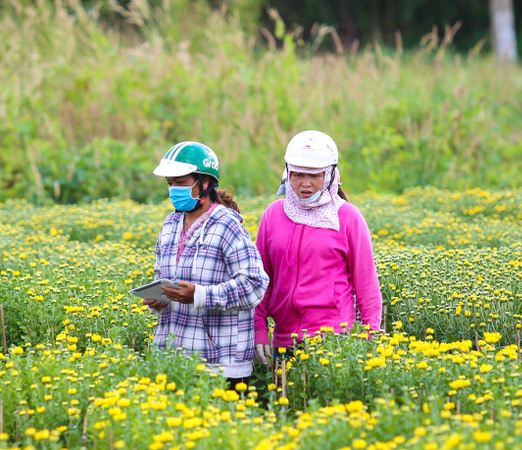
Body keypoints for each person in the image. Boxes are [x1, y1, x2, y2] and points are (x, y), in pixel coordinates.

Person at [144, 141, 269, 386]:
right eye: (170, 184)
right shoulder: (170, 225)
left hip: (220, 362)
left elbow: (255, 285)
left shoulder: (227, 225)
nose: (174, 190)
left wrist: (200, 295)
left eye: (181, 183)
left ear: (204, 183)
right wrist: (159, 298)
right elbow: (163, 277)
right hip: (174, 359)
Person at [253, 130, 382, 366]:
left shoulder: (348, 218)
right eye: (298, 174)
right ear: (287, 174)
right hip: (284, 340)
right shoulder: (273, 215)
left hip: (333, 342)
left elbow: (367, 285)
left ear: (330, 175)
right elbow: (260, 279)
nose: (306, 184)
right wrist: (259, 328)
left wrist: (370, 339)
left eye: (314, 176)